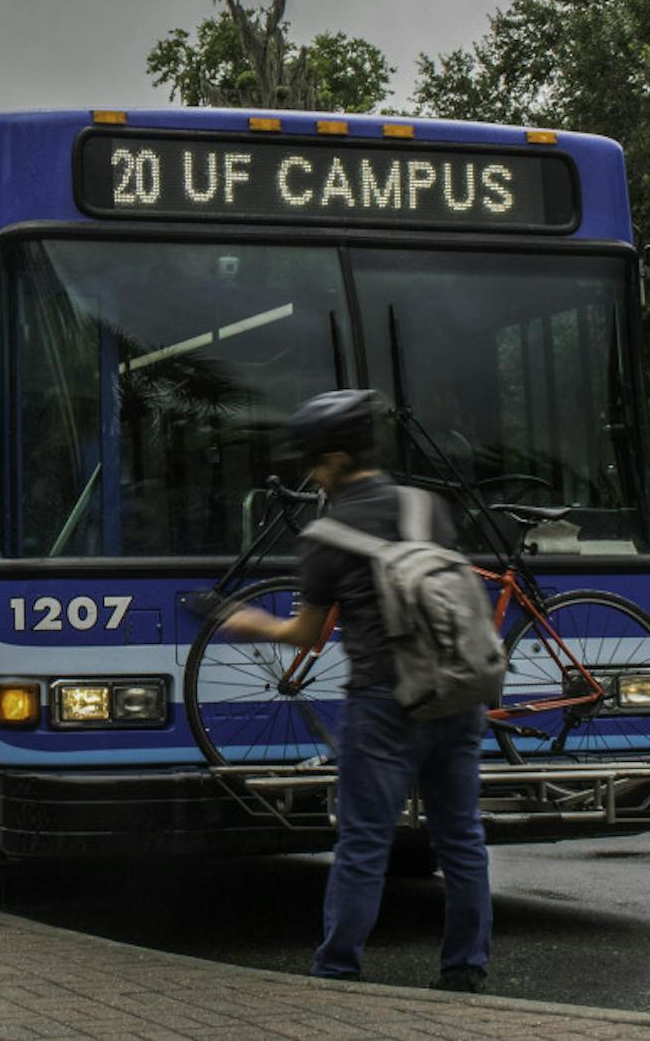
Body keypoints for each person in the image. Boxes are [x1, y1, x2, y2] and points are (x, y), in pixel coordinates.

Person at [221, 390, 491, 991]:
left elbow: (306, 633)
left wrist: (247, 622)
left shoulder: (328, 535)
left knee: (365, 842)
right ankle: (465, 968)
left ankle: (338, 969)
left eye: (316, 463)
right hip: (457, 691)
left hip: (385, 701)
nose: (312, 475)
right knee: (462, 838)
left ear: (338, 460)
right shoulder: (430, 507)